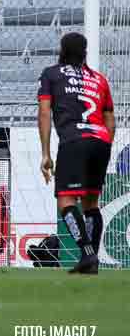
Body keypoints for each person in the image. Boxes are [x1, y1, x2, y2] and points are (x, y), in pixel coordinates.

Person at [38, 32, 115, 274]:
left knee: (66, 199)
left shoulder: (51, 74)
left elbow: (44, 113)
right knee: (92, 202)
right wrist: (105, 145)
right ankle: (90, 259)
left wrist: (45, 153)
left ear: (62, 50)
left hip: (74, 140)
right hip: (100, 141)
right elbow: (110, 119)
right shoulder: (100, 79)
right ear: (85, 52)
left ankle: (87, 253)